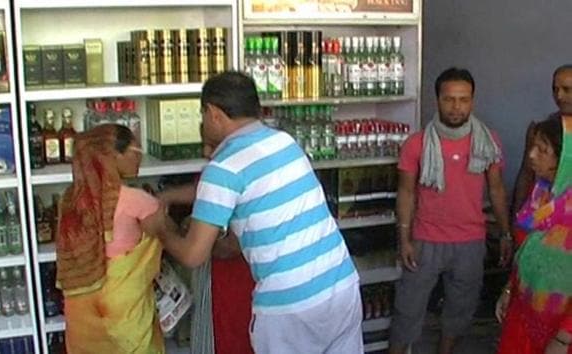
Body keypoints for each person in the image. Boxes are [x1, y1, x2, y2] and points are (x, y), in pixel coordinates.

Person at [158, 71, 364, 354]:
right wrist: (169, 196)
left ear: (213, 113)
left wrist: (160, 228)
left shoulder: (224, 168)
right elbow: (230, 190)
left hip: (289, 306)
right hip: (340, 284)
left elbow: (194, 255)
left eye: (202, 114)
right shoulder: (283, 143)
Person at [388, 67, 512, 354]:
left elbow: (496, 190)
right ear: (437, 101)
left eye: (463, 99)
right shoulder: (417, 143)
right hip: (425, 240)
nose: (457, 107)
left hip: (470, 242)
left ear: (473, 101)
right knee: (407, 310)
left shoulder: (487, 142)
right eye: (449, 99)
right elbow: (406, 192)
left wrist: (505, 233)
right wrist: (404, 238)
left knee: (460, 312)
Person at [56, 124, 166, 354]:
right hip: (123, 311)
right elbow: (167, 233)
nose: (140, 159)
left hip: (82, 314)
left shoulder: (69, 201)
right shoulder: (136, 200)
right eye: (136, 152)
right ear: (113, 156)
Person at [159, 138, 255, 354]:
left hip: (230, 285)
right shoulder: (233, 168)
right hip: (224, 282)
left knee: (229, 337)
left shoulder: (229, 169)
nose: (205, 152)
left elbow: (228, 246)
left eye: (212, 146)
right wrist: (166, 197)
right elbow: (203, 190)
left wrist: (173, 232)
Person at [496, 117, 572, 354]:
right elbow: (526, 251)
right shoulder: (540, 195)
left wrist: (563, 338)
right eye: (533, 146)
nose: (531, 155)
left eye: (542, 150)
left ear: (566, 159)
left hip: (561, 331)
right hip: (524, 313)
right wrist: (509, 289)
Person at [512, 65, 572, 234]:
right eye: (555, 89)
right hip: (542, 221)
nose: (559, 96)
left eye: (567, 89)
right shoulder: (543, 130)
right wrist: (515, 223)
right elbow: (526, 174)